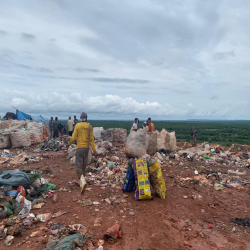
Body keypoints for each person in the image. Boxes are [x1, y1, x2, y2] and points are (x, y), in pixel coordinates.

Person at [68, 112, 97, 180]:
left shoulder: (77, 125)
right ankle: (83, 179)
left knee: (78, 166)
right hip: (86, 149)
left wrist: (69, 144)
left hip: (79, 149)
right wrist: (94, 151)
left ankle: (81, 181)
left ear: (80, 118)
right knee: (84, 166)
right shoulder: (89, 127)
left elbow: (73, 138)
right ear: (86, 118)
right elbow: (92, 140)